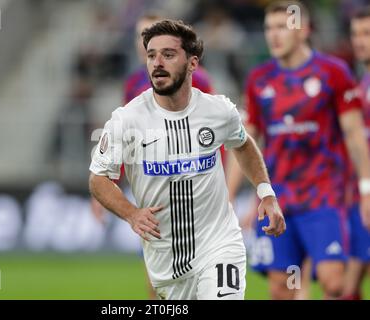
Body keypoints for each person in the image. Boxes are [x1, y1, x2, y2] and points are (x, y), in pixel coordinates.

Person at [89, 19, 286, 300]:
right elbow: (98, 178)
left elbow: (243, 144)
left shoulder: (218, 111)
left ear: (192, 63)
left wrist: (266, 192)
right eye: (151, 55)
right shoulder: (127, 120)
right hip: (167, 262)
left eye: (168, 55)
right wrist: (131, 213)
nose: (157, 62)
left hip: (220, 245)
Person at [228, 1, 370, 299]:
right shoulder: (260, 79)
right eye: (269, 28)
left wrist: (366, 188)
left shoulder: (333, 73)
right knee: (282, 288)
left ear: (303, 30)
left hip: (324, 196)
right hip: (277, 199)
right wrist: (229, 195)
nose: (274, 35)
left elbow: (354, 136)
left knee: (335, 283)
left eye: (282, 27)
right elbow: (245, 142)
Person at [90, 14, 216, 299]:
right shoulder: (134, 82)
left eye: (147, 33)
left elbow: (215, 132)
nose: (143, 41)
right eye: (139, 35)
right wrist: (109, 184)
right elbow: (124, 142)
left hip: (195, 190)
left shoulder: (198, 79)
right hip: (155, 194)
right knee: (158, 287)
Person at [342, 5, 370, 300]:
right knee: (345, 289)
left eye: (367, 34)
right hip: (359, 200)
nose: (360, 41)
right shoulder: (360, 85)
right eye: (356, 34)